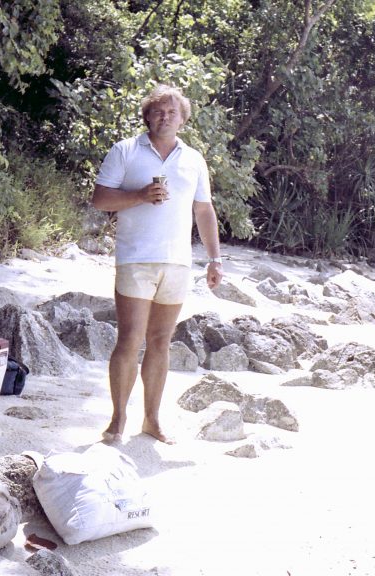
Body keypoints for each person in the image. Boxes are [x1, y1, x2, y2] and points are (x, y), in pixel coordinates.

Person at [92, 85, 223, 444]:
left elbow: (204, 210)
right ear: (147, 116)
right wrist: (139, 195)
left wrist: (214, 259)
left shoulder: (194, 159)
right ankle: (118, 419)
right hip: (136, 258)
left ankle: (151, 420)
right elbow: (100, 199)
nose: (165, 117)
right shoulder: (125, 150)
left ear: (183, 119)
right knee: (129, 339)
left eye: (172, 112)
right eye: (158, 111)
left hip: (178, 262)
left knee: (161, 341)